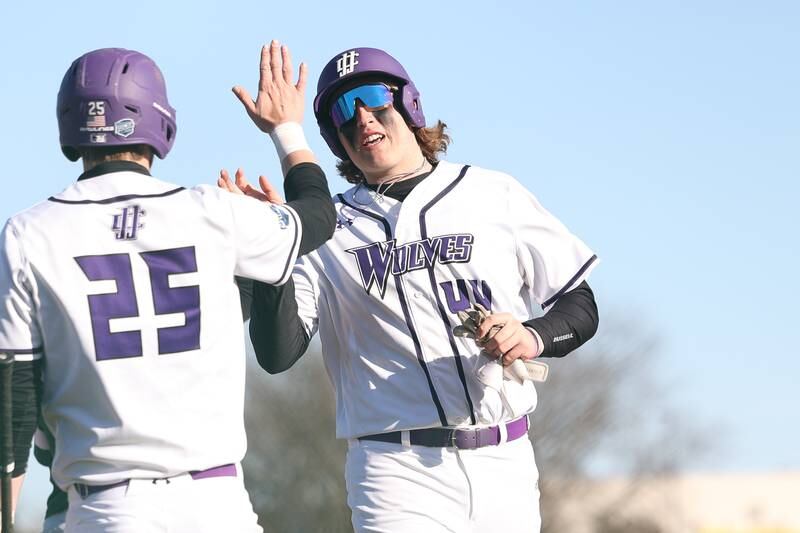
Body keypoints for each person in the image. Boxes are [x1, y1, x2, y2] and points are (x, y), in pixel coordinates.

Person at [236, 47, 600, 532]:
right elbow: (277, 354)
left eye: (372, 99)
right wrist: (270, 253)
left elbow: (580, 305)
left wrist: (532, 335)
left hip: (506, 459)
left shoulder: (492, 192)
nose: (362, 118)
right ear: (335, 138)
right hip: (395, 468)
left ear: (408, 105)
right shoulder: (326, 228)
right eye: (344, 112)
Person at [0, 41, 334, 532]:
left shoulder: (31, 232)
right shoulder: (213, 214)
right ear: (161, 122)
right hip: (217, 504)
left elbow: (15, 402)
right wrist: (285, 129)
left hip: (105, 506)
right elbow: (319, 216)